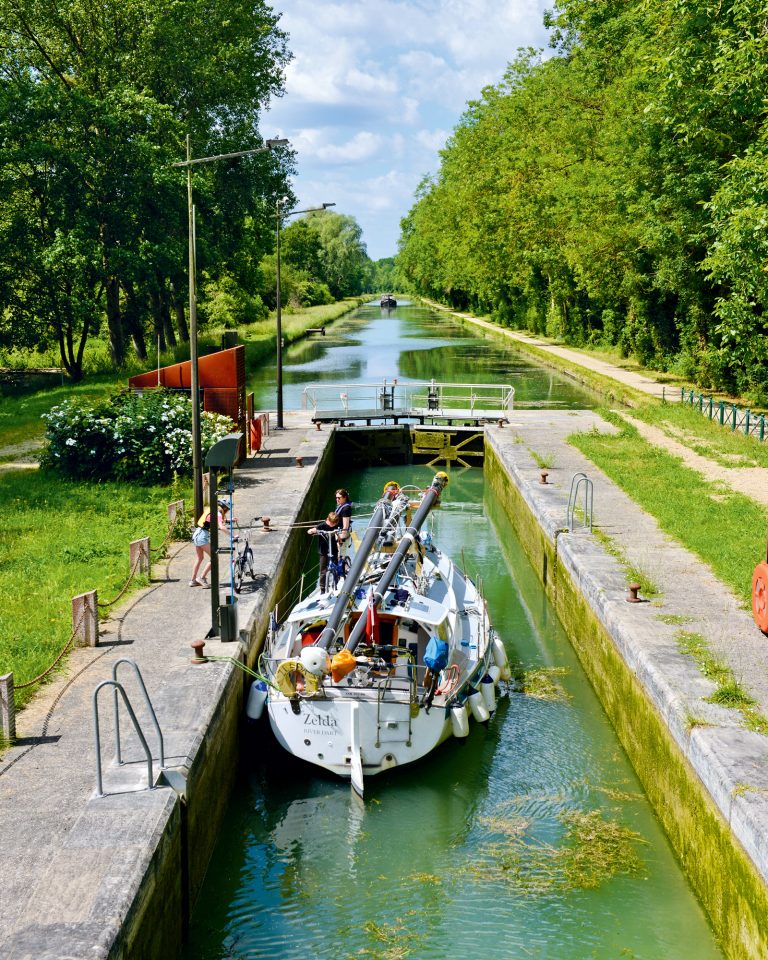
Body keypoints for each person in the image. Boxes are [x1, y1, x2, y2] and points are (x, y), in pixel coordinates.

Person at [190, 499, 230, 588]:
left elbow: (214, 520)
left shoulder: (213, 509)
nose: (227, 511)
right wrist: (232, 536)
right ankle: (202, 578)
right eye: (227, 509)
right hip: (202, 537)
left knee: (200, 558)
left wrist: (229, 520)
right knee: (214, 558)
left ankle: (193, 581)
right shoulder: (218, 513)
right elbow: (221, 527)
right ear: (224, 507)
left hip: (197, 534)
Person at [308, 512, 340, 593]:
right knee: (323, 570)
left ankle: (337, 583)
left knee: (335, 566)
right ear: (328, 519)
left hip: (333, 549)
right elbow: (313, 530)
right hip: (323, 550)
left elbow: (339, 531)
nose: (332, 525)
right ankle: (322, 589)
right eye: (331, 523)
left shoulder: (336, 525)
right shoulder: (322, 525)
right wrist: (311, 531)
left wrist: (340, 538)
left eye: (334, 524)